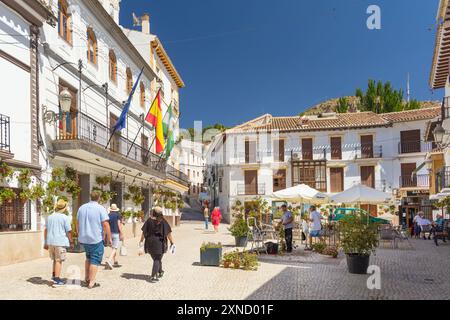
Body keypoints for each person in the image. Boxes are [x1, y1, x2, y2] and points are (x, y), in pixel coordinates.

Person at [76, 190, 112, 289]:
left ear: (90, 197)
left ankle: (87, 278)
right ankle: (92, 282)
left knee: (88, 257)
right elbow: (106, 225)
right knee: (95, 260)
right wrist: (109, 238)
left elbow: (77, 223)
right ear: (99, 198)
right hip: (95, 238)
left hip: (84, 238)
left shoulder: (82, 208)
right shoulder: (100, 208)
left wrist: (79, 234)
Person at [139, 207, 174, 282]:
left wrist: (141, 241)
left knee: (156, 259)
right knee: (157, 259)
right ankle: (153, 275)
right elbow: (168, 233)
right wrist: (172, 242)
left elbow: (144, 232)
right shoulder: (163, 221)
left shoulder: (149, 220)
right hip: (159, 243)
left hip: (149, 243)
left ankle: (160, 271)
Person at [44, 198, 73, 287]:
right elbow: (69, 231)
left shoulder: (50, 217)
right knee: (59, 260)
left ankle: (54, 276)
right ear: (64, 208)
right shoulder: (65, 217)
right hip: (60, 242)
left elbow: (46, 230)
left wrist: (45, 242)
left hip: (51, 241)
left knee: (55, 260)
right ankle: (57, 280)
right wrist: (71, 241)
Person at [105, 204, 124, 270]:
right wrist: (121, 233)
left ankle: (115, 261)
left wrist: (105, 235)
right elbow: (119, 225)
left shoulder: (108, 215)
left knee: (113, 247)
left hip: (109, 233)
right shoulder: (118, 215)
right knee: (115, 248)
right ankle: (109, 260)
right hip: (116, 233)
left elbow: (105, 225)